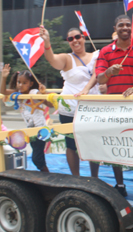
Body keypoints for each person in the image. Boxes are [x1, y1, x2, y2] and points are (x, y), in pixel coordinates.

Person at [96, 14, 133, 202]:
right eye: (121, 25)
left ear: (132, 28)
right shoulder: (105, 52)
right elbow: (100, 78)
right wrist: (109, 72)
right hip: (113, 107)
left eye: (128, 25)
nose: (125, 28)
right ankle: (120, 185)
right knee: (115, 147)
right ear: (115, 28)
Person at [39, 26, 100, 177]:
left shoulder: (96, 56)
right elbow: (51, 59)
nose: (75, 41)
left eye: (77, 37)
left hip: (92, 109)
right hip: (70, 109)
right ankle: (76, 178)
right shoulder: (67, 58)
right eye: (70, 39)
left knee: (94, 144)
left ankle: (95, 178)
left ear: (84, 37)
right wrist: (47, 42)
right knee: (71, 145)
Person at [0, 65, 50, 173]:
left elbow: (49, 103)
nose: (20, 85)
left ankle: (47, 174)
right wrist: (4, 77)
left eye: (24, 83)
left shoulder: (34, 93)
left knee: (37, 157)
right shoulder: (18, 95)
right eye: (19, 82)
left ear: (31, 84)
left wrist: (43, 94)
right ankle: (45, 173)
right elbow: (3, 91)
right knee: (38, 155)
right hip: (30, 129)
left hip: (39, 129)